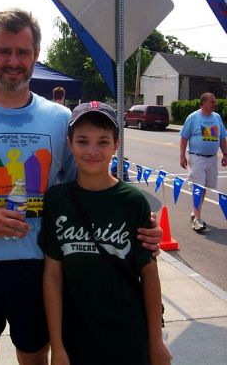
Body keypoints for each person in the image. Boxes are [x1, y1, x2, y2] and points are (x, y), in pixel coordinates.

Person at [0, 8, 162, 365]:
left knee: (34, 356)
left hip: (39, 266)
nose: (13, 61)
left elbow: (90, 187)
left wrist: (139, 224)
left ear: (36, 54)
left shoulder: (60, 120)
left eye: (23, 52)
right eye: (4, 51)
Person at [40, 101, 172, 365]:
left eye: (102, 142)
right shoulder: (57, 199)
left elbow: (149, 275)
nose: (92, 150)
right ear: (70, 143)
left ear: (116, 145)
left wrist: (156, 342)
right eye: (82, 141)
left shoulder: (132, 201)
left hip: (128, 336)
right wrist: (57, 345)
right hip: (76, 336)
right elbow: (53, 275)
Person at [180, 92, 227, 231]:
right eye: (212, 101)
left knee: (205, 187)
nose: (215, 104)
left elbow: (222, 138)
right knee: (198, 187)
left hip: (212, 159)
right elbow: (184, 137)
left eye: (214, 101)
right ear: (204, 103)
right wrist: (182, 155)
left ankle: (195, 212)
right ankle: (197, 219)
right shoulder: (193, 117)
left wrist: (225, 153)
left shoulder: (217, 117)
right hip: (197, 158)